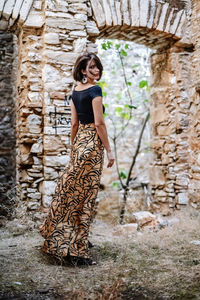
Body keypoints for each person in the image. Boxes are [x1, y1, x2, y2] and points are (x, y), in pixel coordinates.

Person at [39, 52, 114, 266]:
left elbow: (73, 124)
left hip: (80, 142)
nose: (96, 71)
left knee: (71, 193)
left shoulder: (75, 91)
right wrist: (108, 150)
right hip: (92, 145)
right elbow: (99, 123)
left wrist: (74, 149)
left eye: (97, 67)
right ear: (82, 71)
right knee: (86, 196)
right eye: (91, 68)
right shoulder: (95, 90)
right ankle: (78, 250)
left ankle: (70, 239)